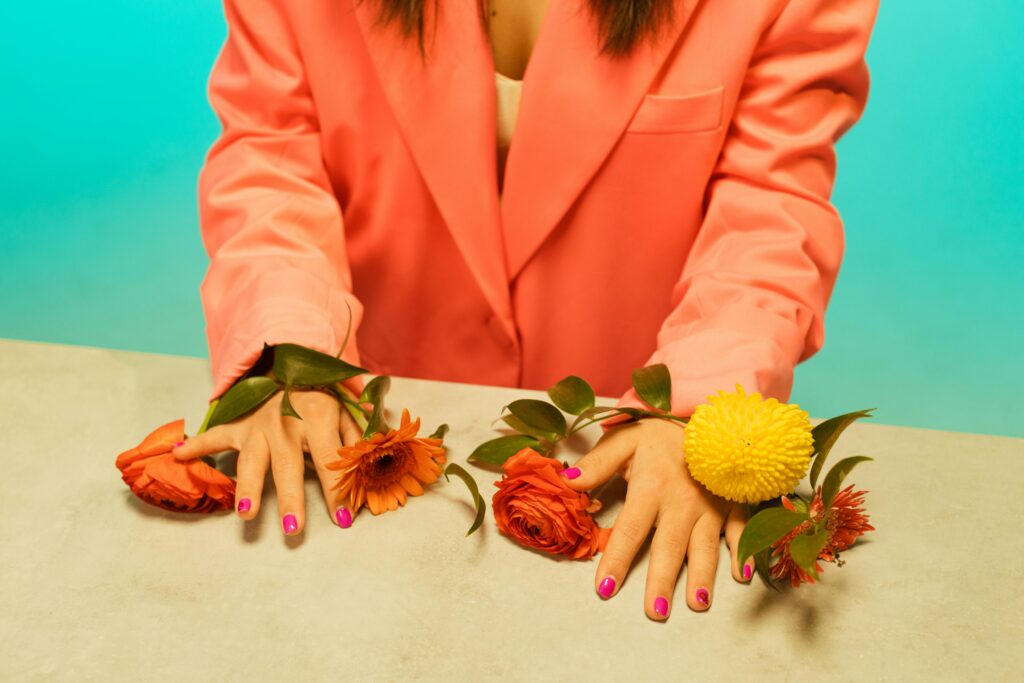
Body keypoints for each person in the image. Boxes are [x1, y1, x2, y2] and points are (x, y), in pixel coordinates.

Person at [172, 0, 879, 620]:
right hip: (381, 450)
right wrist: (293, 354)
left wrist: (696, 409)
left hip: (619, 464)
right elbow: (272, 154)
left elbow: (769, 203)